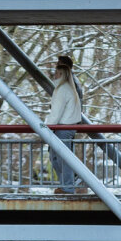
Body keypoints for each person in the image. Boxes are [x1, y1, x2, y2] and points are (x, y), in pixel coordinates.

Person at [46, 55, 86, 194]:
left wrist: (47, 127)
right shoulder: (72, 85)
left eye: (57, 71)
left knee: (61, 158)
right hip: (68, 125)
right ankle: (68, 184)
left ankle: (68, 185)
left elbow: (56, 111)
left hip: (64, 125)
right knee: (57, 156)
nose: (54, 74)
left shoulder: (64, 88)